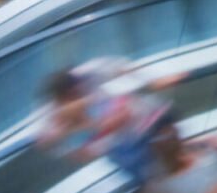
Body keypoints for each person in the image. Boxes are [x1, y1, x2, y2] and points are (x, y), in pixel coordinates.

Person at [35, 58, 185, 184]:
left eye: (77, 90)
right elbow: (48, 141)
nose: (77, 94)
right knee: (147, 178)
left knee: (164, 137)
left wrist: (153, 81)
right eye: (71, 95)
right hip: (121, 144)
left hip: (134, 124)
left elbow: (120, 69)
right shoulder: (52, 117)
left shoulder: (90, 74)